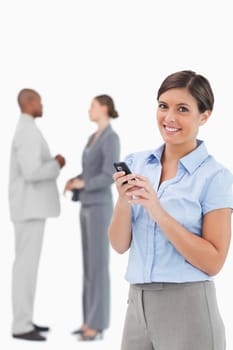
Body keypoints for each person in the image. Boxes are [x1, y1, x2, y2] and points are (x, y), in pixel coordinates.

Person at [109, 71, 233, 350]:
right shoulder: (137, 163)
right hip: (136, 307)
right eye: (163, 106)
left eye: (183, 109)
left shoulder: (215, 177)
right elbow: (118, 245)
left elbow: (214, 262)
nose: (169, 118)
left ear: (204, 116)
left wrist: (158, 210)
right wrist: (122, 200)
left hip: (188, 308)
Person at [8, 89, 66, 341]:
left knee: (26, 267)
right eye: (39, 101)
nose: (42, 105)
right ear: (28, 103)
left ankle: (25, 319)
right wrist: (57, 164)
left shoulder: (27, 128)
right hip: (29, 209)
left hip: (28, 208)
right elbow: (32, 172)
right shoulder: (28, 131)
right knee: (25, 268)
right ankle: (21, 325)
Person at [64, 95, 120, 341]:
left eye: (93, 106)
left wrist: (83, 182)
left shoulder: (111, 137)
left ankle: (97, 326)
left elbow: (109, 175)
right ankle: (88, 319)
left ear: (104, 108)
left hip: (100, 207)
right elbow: (89, 171)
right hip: (86, 205)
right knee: (88, 266)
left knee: (98, 266)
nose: (89, 110)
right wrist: (76, 180)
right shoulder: (92, 138)